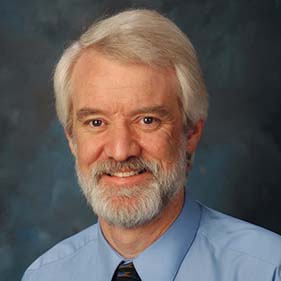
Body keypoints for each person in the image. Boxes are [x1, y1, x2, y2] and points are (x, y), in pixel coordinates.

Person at [22, 9, 281, 281]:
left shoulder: (267, 270)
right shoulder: (45, 274)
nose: (121, 151)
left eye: (147, 120)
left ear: (191, 133)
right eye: (96, 123)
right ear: (72, 140)